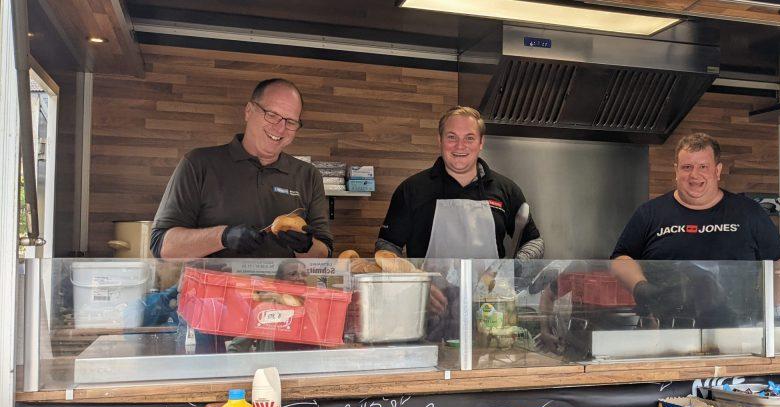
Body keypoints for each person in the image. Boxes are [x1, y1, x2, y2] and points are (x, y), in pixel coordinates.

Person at [610, 132, 780, 325]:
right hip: (666, 327)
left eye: (703, 166)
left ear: (718, 170)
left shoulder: (749, 212)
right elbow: (621, 258)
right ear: (676, 170)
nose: (694, 175)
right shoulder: (649, 213)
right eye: (687, 167)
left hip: (736, 328)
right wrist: (642, 289)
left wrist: (771, 315)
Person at [149, 78, 333, 259]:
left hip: (281, 290)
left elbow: (324, 253)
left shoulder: (308, 175)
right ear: (249, 111)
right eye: (272, 115)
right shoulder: (198, 163)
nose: (280, 128)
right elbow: (162, 246)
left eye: (291, 122)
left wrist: (307, 246)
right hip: (213, 289)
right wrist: (222, 236)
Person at [375, 106, 543, 260]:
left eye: (469, 138)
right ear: (440, 140)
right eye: (451, 137)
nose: (460, 146)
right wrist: (412, 277)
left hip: (490, 293)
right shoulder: (411, 189)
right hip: (429, 293)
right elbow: (388, 246)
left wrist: (517, 268)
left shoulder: (507, 189)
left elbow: (533, 241)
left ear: (481, 142)